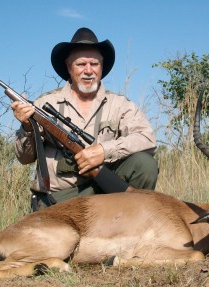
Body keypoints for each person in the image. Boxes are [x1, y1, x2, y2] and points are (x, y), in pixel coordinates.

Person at [11, 27, 158, 210]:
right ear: (69, 67)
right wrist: (26, 127)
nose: (88, 70)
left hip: (105, 191)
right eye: (81, 64)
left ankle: (132, 228)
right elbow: (24, 158)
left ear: (101, 67)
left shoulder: (120, 104)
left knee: (145, 164)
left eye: (94, 64)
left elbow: (147, 139)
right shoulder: (44, 104)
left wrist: (104, 151)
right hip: (59, 197)